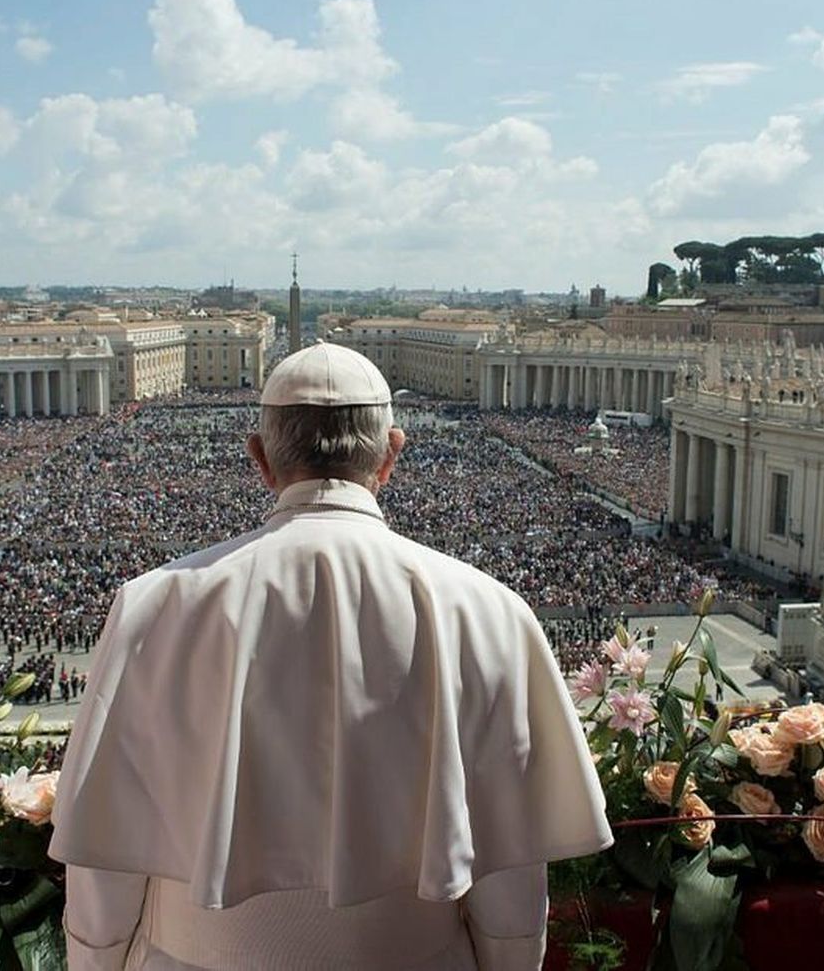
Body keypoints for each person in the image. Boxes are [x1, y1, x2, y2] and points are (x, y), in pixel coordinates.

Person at [50, 343, 612, 970]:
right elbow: (509, 868)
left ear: (259, 459)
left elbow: (105, 859)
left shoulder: (153, 607)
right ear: (391, 453)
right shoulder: (488, 611)